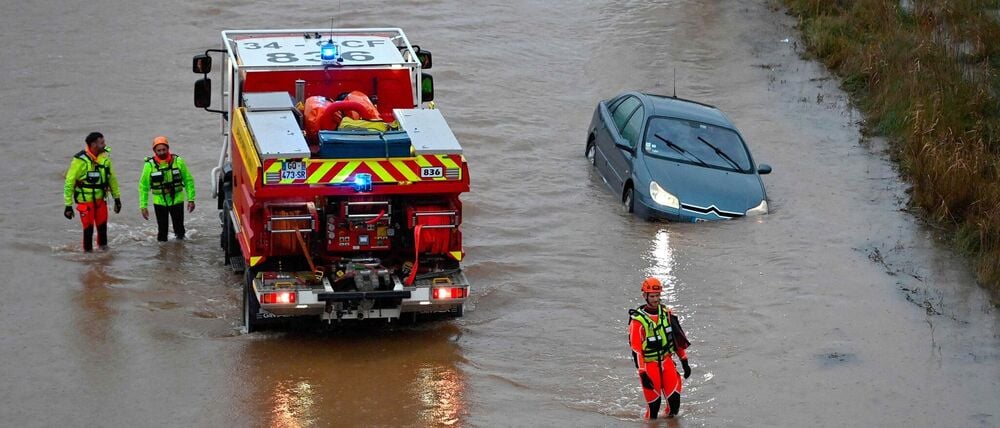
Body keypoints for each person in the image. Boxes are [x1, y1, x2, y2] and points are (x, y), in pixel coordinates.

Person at [628, 277, 692, 419]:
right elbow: (636, 350)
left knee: (674, 406)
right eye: (652, 296)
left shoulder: (667, 314)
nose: (656, 299)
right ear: (644, 296)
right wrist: (642, 373)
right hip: (649, 367)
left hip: (667, 362)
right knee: (653, 411)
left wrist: (684, 360)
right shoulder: (637, 321)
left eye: (657, 296)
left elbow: (676, 339)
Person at [64, 132, 121, 252]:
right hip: (85, 202)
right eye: (102, 143)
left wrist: (117, 198)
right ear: (93, 144)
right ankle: (88, 259)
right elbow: (69, 182)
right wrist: (68, 205)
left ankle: (104, 257)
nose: (105, 145)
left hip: (101, 201)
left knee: (102, 229)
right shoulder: (79, 160)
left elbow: (112, 179)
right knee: (88, 230)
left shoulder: (105, 158)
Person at [138, 136, 195, 241]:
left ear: (168, 149)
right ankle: (162, 254)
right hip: (159, 202)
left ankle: (180, 252)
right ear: (154, 151)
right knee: (162, 232)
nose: (162, 152)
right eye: (159, 150)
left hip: (177, 199)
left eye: (164, 149)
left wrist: (191, 199)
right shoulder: (149, 165)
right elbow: (143, 186)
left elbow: (188, 180)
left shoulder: (178, 161)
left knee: (180, 230)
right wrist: (143, 206)